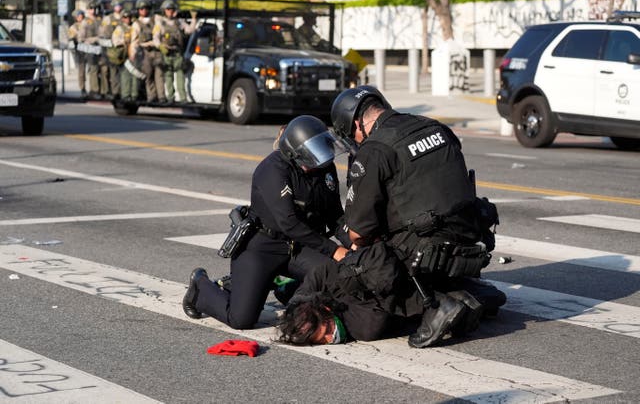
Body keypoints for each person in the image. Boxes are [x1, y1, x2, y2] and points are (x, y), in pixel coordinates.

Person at [315, 85, 506, 348]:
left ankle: (435, 306)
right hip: (471, 239)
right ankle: (467, 290)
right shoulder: (435, 127)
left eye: (352, 135)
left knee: (359, 264)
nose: (355, 141)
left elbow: (359, 230)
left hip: (427, 252)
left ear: (357, 124)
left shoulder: (374, 150)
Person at [182, 115, 351, 329]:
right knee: (241, 319)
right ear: (294, 153)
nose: (319, 160)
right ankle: (201, 287)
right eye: (312, 154)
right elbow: (289, 222)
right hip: (262, 245)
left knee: (336, 276)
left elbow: (334, 213)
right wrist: (333, 249)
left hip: (299, 247)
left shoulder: (324, 167)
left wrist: (352, 241)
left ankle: (286, 286)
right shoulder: (272, 169)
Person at [153, 0, 197, 104]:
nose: (170, 12)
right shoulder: (160, 23)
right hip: (167, 52)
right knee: (168, 76)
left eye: (172, 9)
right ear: (164, 10)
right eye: (168, 9)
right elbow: (155, 37)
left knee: (180, 75)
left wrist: (194, 19)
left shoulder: (179, 22)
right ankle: (170, 97)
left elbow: (189, 30)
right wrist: (160, 46)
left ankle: (182, 98)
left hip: (177, 53)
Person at [131, 0, 167, 104]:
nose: (144, 11)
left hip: (157, 52)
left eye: (146, 8)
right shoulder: (136, 24)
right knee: (149, 75)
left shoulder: (155, 20)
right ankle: (151, 96)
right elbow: (134, 41)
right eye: (141, 9)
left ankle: (161, 96)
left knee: (159, 75)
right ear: (138, 10)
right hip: (145, 52)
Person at [78, 0, 104, 100]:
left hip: (99, 48)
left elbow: (103, 33)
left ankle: (100, 89)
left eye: (94, 9)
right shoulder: (85, 22)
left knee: (99, 69)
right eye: (90, 9)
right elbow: (81, 38)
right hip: (88, 49)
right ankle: (94, 90)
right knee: (92, 70)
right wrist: (95, 39)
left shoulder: (99, 20)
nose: (92, 11)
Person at [100, 0, 124, 100]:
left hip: (123, 47)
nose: (118, 8)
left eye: (119, 6)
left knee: (123, 71)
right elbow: (103, 33)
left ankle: (122, 91)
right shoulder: (108, 18)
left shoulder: (125, 17)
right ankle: (114, 91)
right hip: (111, 48)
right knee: (112, 71)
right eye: (116, 6)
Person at [112, 10, 138, 102]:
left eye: (129, 17)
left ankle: (134, 94)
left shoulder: (134, 27)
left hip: (134, 54)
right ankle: (125, 95)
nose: (128, 19)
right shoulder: (120, 29)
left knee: (135, 75)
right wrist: (123, 42)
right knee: (125, 76)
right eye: (125, 17)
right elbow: (115, 41)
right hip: (124, 55)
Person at [68, 10, 87, 99]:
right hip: (80, 51)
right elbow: (71, 38)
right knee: (81, 72)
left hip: (90, 50)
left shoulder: (87, 24)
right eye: (78, 15)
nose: (80, 17)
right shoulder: (74, 27)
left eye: (81, 15)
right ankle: (83, 89)